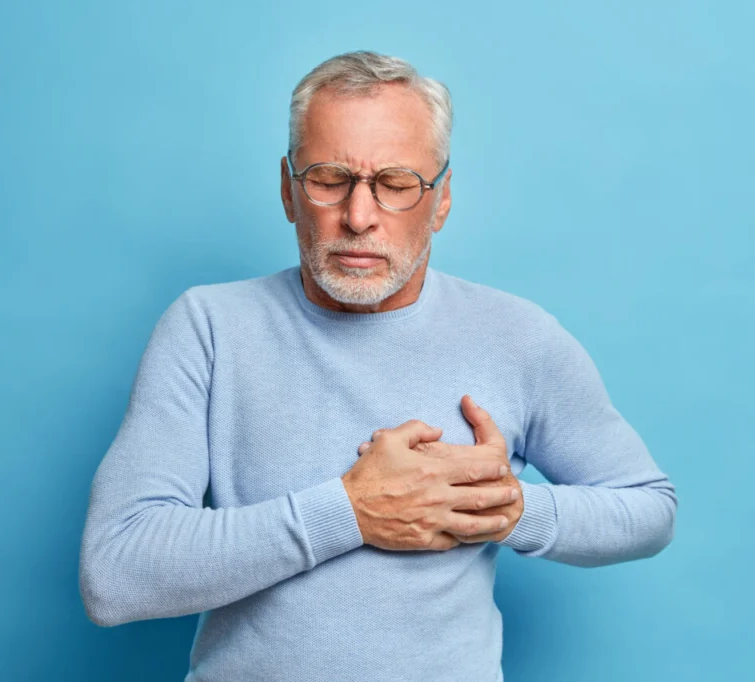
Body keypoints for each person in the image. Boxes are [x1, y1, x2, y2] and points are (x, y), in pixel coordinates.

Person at [79, 50, 678, 682]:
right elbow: (116, 574)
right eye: (329, 179)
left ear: (441, 199)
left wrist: (506, 509)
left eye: (395, 185)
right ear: (287, 188)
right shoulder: (209, 327)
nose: (359, 217)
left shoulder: (518, 337)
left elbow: (648, 508)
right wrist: (350, 511)